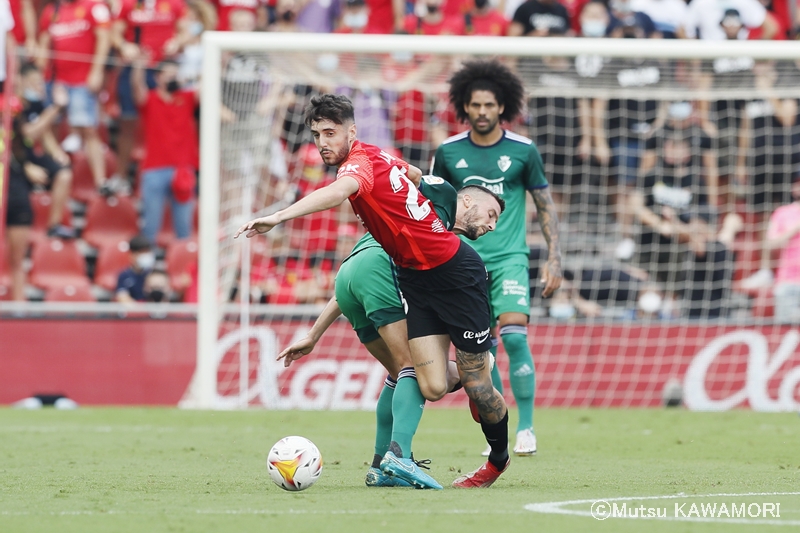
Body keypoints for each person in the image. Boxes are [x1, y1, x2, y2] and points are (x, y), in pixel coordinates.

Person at [237, 93, 511, 489]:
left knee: (478, 385)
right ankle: (395, 459)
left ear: (352, 131)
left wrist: (278, 216)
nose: (322, 142)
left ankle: (495, 461)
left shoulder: (359, 164)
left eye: (330, 133)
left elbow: (339, 191)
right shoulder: (380, 157)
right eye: (316, 135)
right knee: (427, 382)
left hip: (455, 273)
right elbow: (415, 175)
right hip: (415, 280)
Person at [278, 178, 492, 488]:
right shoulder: (437, 221)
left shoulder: (419, 218)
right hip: (380, 268)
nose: (492, 225)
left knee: (399, 371)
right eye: (491, 214)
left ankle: (380, 467)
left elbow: (350, 285)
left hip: (349, 275)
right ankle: (399, 457)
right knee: (414, 366)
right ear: (468, 202)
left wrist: (313, 335)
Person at [431, 59, 563, 457]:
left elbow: (544, 204)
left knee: (515, 334)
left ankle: (527, 428)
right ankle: (499, 433)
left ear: (502, 106)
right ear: (464, 107)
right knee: (481, 353)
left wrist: (554, 256)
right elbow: (435, 205)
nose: (483, 112)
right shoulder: (449, 151)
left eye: (490, 105)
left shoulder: (523, 150)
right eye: (475, 105)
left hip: (509, 258)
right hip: (463, 262)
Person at [112, 0, 189, 190]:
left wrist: (177, 41)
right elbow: (114, 34)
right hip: (135, 68)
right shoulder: (128, 3)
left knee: (164, 123)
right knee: (127, 122)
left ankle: (171, 172)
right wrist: (124, 46)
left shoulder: (174, 3)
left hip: (164, 70)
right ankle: (121, 177)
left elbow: (187, 31)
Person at [38, 0, 112, 196]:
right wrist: (41, 75)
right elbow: (44, 43)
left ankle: (101, 181)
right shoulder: (51, 11)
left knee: (88, 129)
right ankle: (50, 176)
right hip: (55, 80)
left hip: (82, 80)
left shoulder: (93, 6)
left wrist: (97, 71)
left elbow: (104, 38)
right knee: (49, 127)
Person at [132, 56, 198, 248]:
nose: (172, 78)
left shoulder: (186, 97)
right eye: (168, 74)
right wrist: (138, 66)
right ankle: (147, 268)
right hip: (154, 169)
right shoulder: (150, 98)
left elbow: (207, 85)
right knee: (150, 226)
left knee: (184, 227)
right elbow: (137, 87)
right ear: (158, 77)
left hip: (183, 169)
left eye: (175, 74)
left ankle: (183, 269)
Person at [16, 63, 75, 239]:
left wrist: (57, 153)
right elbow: (29, 132)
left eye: (40, 83)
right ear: (20, 81)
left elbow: (44, 134)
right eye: (34, 82)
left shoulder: (37, 104)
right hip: (12, 160)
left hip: (29, 155)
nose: (39, 87)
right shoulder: (13, 105)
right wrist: (56, 108)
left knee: (64, 174)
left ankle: (54, 225)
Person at [765, 174, 800, 323]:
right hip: (788, 282)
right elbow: (770, 244)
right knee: (787, 332)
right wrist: (795, 229)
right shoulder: (782, 212)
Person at [116, 235, 156, 303]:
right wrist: (140, 310)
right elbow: (122, 297)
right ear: (132, 255)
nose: (146, 255)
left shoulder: (153, 274)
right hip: (133, 311)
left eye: (147, 252)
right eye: (142, 252)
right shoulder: (124, 275)